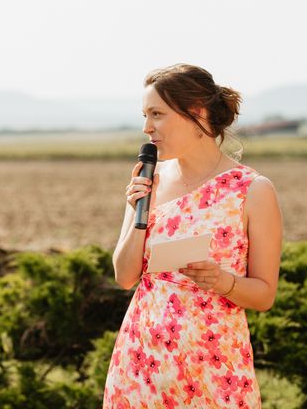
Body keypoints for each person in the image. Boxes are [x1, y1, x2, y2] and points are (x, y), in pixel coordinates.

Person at [103, 64, 282, 409]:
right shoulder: (148, 179)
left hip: (214, 371)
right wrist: (142, 210)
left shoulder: (252, 191)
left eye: (157, 114)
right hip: (139, 367)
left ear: (196, 112)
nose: (147, 127)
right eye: (145, 115)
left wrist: (223, 281)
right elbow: (124, 276)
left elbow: (264, 295)